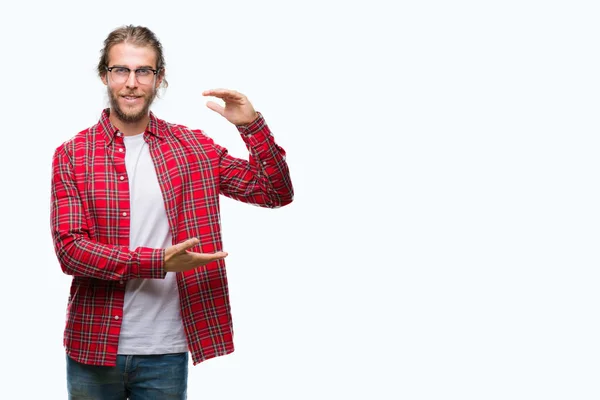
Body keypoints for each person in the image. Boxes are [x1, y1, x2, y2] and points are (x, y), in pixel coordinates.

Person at [50, 24, 293, 399]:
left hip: (165, 350)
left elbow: (274, 192)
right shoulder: (73, 154)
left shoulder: (191, 147)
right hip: (93, 344)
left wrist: (251, 125)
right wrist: (158, 261)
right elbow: (70, 250)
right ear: (105, 75)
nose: (131, 82)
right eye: (121, 70)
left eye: (143, 71)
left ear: (158, 79)